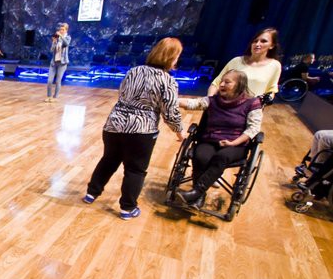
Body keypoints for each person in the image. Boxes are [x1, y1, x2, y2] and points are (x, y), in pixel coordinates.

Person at [83, 37, 186, 220]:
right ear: (172, 57)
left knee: (109, 160)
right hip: (141, 131)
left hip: (114, 125)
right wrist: (179, 132)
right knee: (135, 169)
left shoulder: (134, 71)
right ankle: (128, 208)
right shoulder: (167, 81)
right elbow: (170, 112)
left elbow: (122, 93)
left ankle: (91, 193)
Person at [175, 70, 263, 209]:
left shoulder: (252, 103)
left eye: (227, 82)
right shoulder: (213, 100)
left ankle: (196, 192)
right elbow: (192, 103)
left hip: (236, 145)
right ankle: (199, 196)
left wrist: (233, 142)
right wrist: (169, 99)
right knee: (200, 156)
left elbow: (253, 129)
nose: (221, 84)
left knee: (221, 157)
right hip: (211, 140)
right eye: (221, 81)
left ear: (239, 84)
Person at [208, 28, 282, 97]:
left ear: (272, 45)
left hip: (252, 109)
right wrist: (209, 101)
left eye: (263, 41)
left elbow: (271, 90)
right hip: (226, 107)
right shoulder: (236, 61)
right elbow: (216, 83)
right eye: (255, 41)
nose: (257, 44)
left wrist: (260, 105)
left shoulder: (275, 65)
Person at [45, 23, 71, 103]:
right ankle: (49, 96)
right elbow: (52, 50)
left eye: (63, 30)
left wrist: (61, 36)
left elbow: (66, 44)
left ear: (66, 30)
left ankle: (55, 97)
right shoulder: (57, 38)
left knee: (57, 81)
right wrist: (54, 42)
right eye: (60, 29)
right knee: (49, 81)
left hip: (62, 63)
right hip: (54, 62)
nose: (61, 31)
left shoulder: (67, 37)